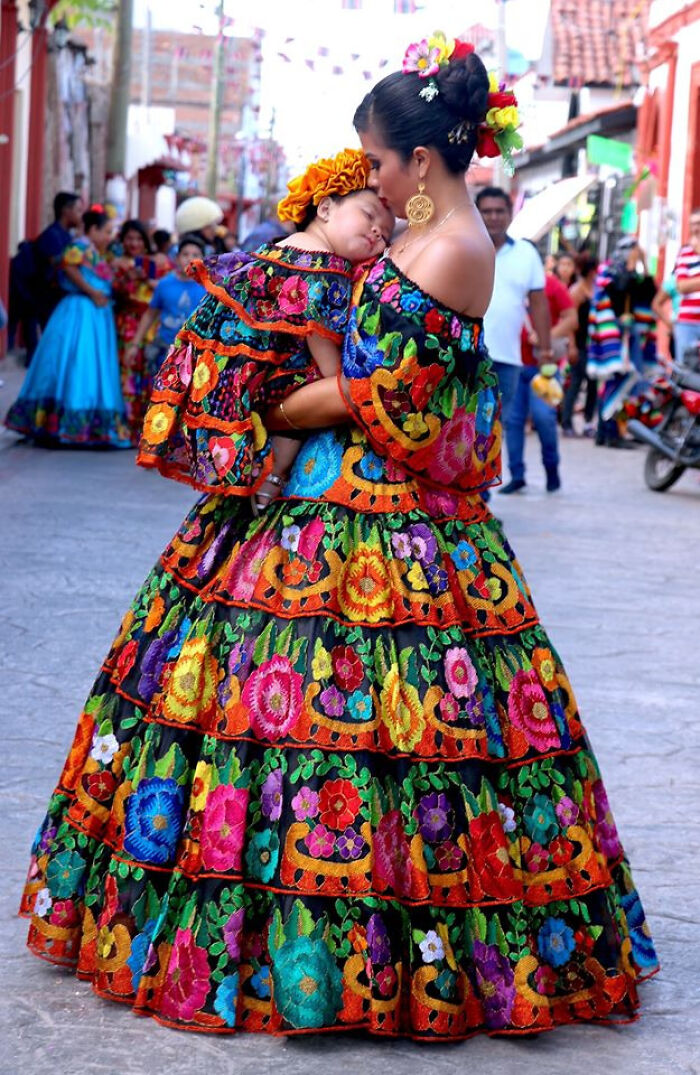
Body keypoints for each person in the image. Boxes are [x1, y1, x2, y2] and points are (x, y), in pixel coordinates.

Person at [19, 33, 656, 1040]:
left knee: (376, 725)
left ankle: (368, 948)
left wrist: (277, 407)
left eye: (380, 159)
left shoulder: (449, 246)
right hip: (321, 505)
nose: (374, 176)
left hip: (389, 523)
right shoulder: (415, 234)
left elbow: (387, 405)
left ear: (422, 160)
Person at [138, 149, 393, 513]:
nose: (375, 232)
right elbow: (324, 354)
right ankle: (275, 476)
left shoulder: (278, 250)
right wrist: (343, 387)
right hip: (266, 376)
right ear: (325, 208)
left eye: (384, 233)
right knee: (311, 383)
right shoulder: (326, 268)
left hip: (226, 379)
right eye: (368, 216)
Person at [5, 208, 129, 446]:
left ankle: (83, 425)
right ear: (92, 229)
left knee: (85, 363)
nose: (108, 236)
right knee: (76, 361)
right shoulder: (79, 247)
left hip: (94, 313)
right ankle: (64, 423)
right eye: (105, 231)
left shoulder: (95, 250)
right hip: (80, 311)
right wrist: (92, 292)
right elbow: (70, 269)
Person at [476, 187, 553, 456]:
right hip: (465, 355)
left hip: (507, 359)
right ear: (477, 213)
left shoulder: (526, 253)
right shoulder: (466, 245)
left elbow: (539, 304)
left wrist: (545, 351)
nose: (493, 217)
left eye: (499, 211)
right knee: (462, 428)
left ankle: (481, 495)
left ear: (510, 215)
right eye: (487, 211)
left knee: (493, 429)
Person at [505, 268, 577, 492]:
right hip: (514, 363)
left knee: (543, 418)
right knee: (513, 421)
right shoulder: (508, 282)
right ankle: (517, 475)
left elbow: (572, 319)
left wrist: (548, 336)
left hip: (543, 366)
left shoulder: (551, 285)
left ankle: (551, 469)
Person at [587, 239, 657, 448]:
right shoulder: (610, 272)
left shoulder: (631, 274)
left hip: (629, 334)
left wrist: (643, 264)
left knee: (627, 383)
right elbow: (619, 287)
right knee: (616, 381)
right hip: (614, 335)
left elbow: (648, 292)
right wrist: (629, 266)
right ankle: (609, 433)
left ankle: (612, 431)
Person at [111, 219, 170, 444]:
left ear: (146, 241)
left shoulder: (160, 262)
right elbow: (112, 292)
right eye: (129, 238)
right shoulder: (117, 264)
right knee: (126, 371)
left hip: (152, 324)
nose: (134, 243)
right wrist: (127, 279)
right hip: (126, 323)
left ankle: (149, 429)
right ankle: (126, 426)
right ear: (122, 240)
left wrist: (149, 280)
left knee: (151, 372)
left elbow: (171, 285)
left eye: (138, 238)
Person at [124, 236, 207, 381]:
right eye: (185, 254)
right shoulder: (164, 284)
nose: (189, 259)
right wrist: (134, 345)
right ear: (176, 258)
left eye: (195, 255)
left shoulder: (208, 288)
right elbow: (150, 315)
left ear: (202, 259)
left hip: (196, 352)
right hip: (165, 350)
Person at [561, 253, 599, 436]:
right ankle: (567, 422)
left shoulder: (594, 289)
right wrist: (572, 346)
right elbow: (570, 321)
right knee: (576, 383)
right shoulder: (576, 291)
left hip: (593, 345)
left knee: (593, 384)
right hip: (580, 344)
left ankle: (588, 422)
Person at [672, 207, 700, 366]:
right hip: (687, 323)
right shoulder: (684, 253)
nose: (696, 228)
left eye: (699, 223)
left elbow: (687, 284)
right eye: (693, 224)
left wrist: (692, 283)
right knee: (685, 370)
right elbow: (681, 286)